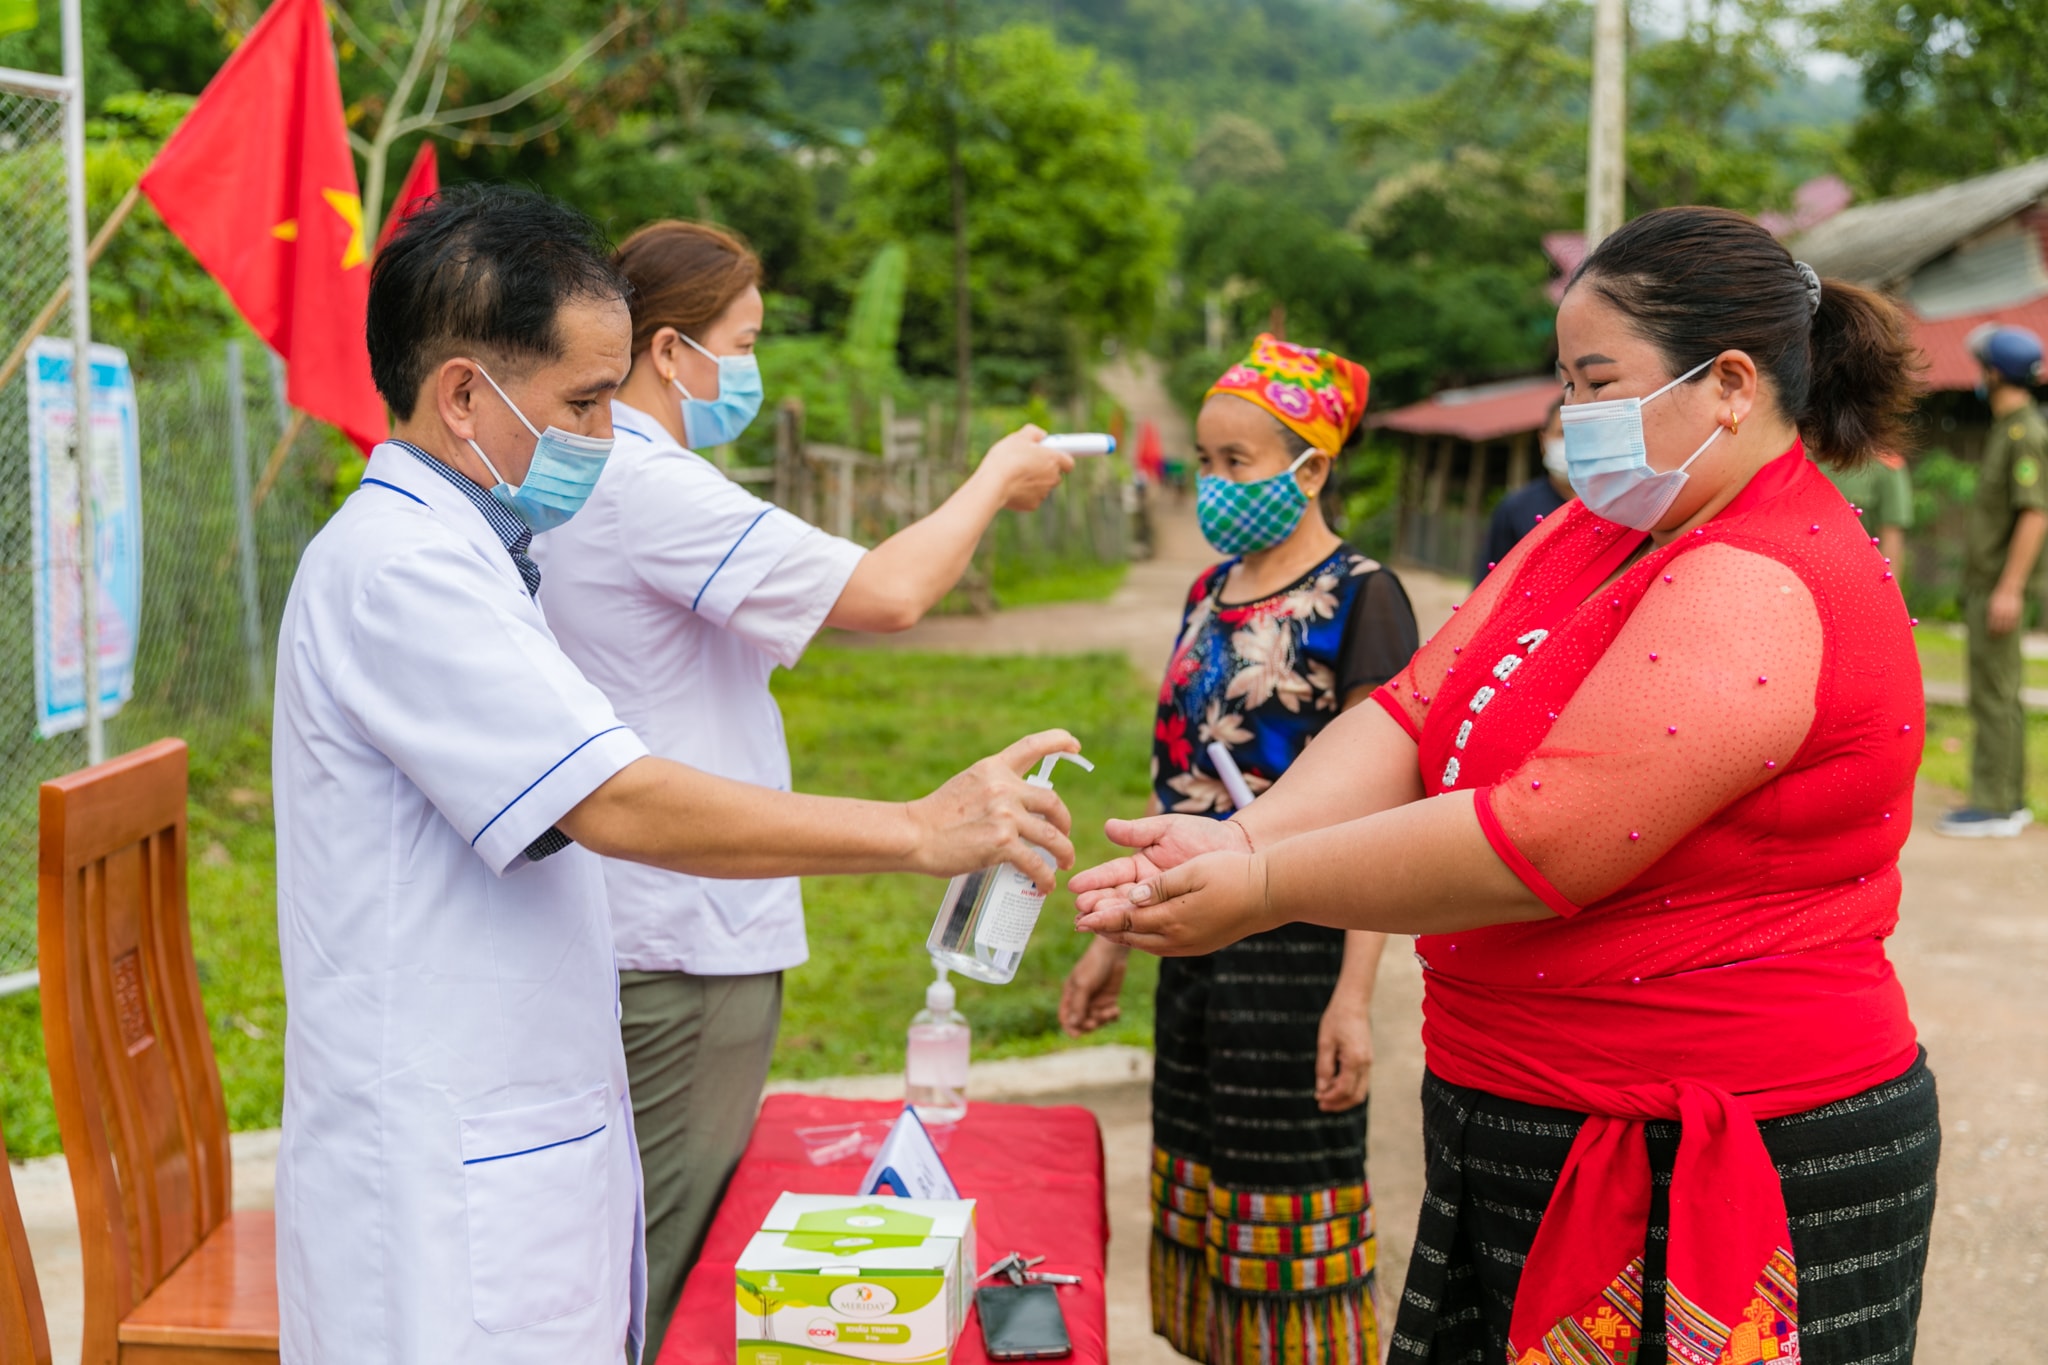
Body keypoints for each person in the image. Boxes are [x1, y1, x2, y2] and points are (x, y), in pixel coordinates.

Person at [1070, 208, 1940, 1365]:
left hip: (1705, 1141)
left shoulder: (1755, 578)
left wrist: (1268, 883)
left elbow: (1546, 839)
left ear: (1728, 382)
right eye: (1563, 384)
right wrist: (1244, 839)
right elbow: (1411, 709)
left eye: (1594, 383)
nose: (1569, 419)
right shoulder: (1588, 533)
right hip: (1528, 1107)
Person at [271, 186, 1080, 1365]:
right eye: (584, 405)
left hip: (514, 1119)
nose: (605, 441)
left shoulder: (471, 553)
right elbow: (614, 796)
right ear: (461, 395)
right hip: (443, 1186)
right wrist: (915, 828)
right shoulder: (404, 574)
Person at [529, 218, 1076, 1352]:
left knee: (628, 1235)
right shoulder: (644, 484)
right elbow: (886, 593)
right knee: (660, 1258)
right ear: (671, 352)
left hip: (643, 914)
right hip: (680, 930)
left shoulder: (593, 477)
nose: (751, 365)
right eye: (745, 340)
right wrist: (990, 478)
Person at [1060, 334, 1417, 1365]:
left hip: (1296, 941)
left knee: (1286, 1207)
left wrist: (1352, 996)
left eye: (1235, 463)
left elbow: (1385, 808)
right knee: (1201, 1188)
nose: (1212, 484)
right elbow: (1170, 779)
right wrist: (1113, 941)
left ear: (1310, 467)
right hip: (1187, 941)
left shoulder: (1363, 597)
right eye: (1205, 461)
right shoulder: (1204, 595)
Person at [1938, 323, 2046, 837]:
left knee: (1995, 696)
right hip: (1989, 585)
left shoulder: (2026, 433)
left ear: (1994, 373)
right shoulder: (2011, 427)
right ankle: (2008, 800)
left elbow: (2035, 515)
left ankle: (1995, 804)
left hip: (2000, 588)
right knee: (1996, 692)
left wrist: (2008, 587)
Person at [1474, 398, 1569, 582]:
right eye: (1562, 434)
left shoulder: (1613, 511)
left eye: (1579, 435)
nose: (1570, 443)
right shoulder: (1515, 509)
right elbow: (1489, 585)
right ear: (1543, 440)